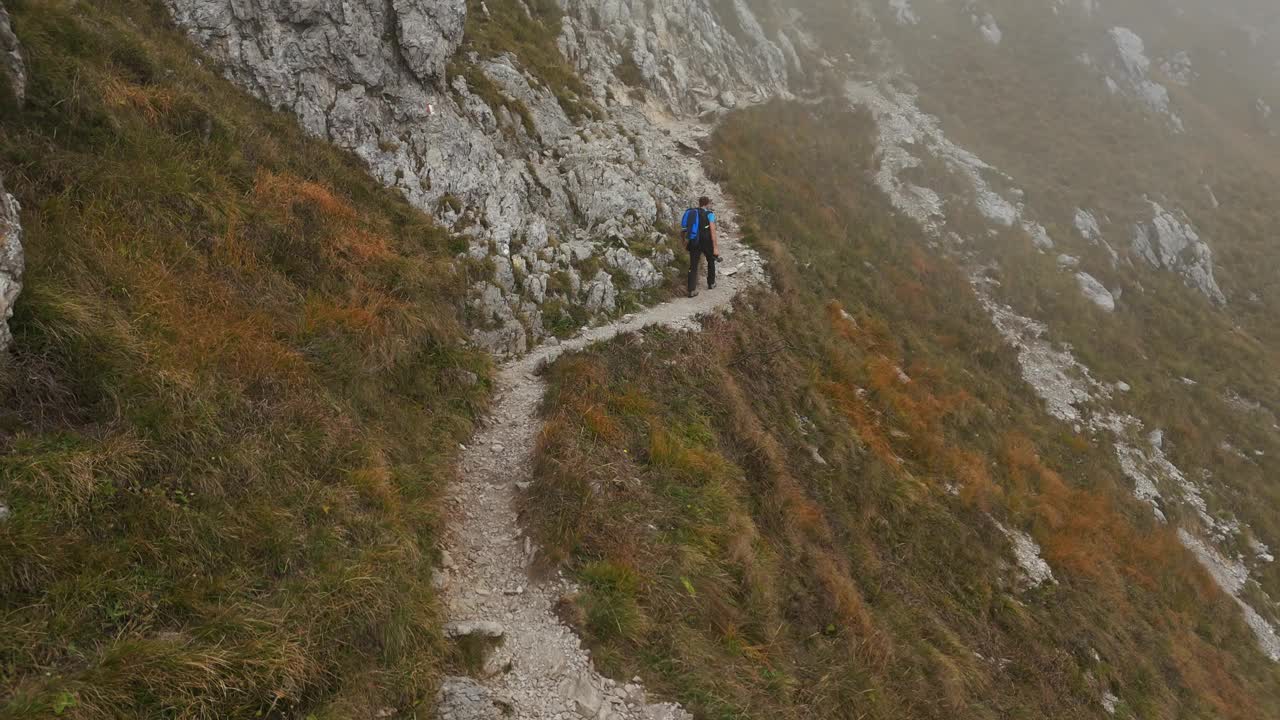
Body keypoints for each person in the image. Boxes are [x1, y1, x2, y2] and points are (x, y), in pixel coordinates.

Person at [683, 196, 719, 298]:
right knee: (711, 260)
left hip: (694, 240)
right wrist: (715, 247)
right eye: (710, 204)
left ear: (699, 203)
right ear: (707, 204)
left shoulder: (692, 213)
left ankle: (691, 290)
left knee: (693, 265)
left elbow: (684, 229)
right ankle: (711, 283)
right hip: (706, 241)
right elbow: (712, 231)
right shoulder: (710, 214)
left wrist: (683, 242)